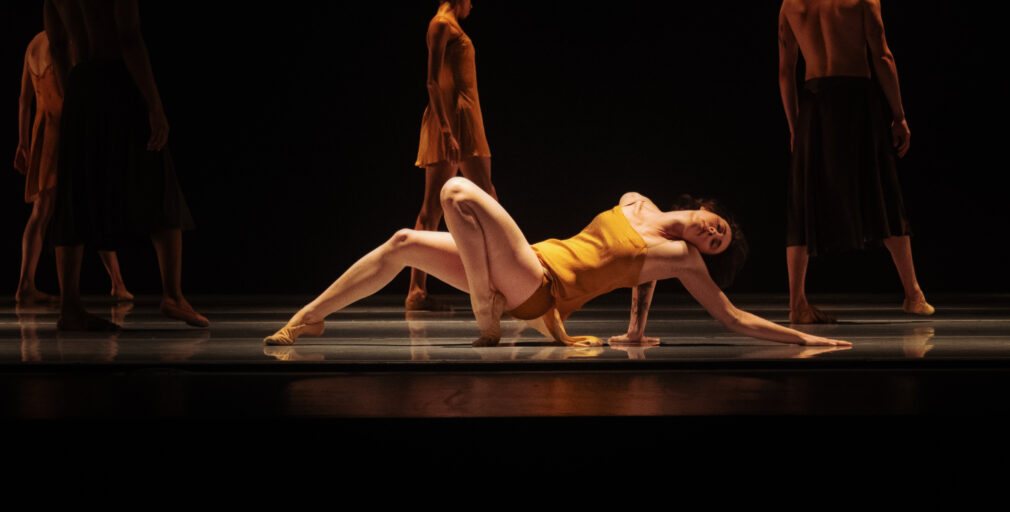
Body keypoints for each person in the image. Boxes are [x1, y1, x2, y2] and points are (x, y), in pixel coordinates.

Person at [265, 177, 851, 348]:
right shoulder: (634, 200)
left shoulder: (680, 258)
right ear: (702, 207)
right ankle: (310, 316)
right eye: (717, 225)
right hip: (530, 261)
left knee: (455, 193)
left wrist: (804, 341)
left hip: (539, 286)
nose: (712, 233)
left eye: (716, 243)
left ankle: (485, 314)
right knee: (401, 241)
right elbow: (638, 283)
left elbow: (732, 317)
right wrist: (635, 330)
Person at [43, 0, 206, 331]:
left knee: (75, 191)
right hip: (118, 79)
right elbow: (129, 36)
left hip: (79, 81)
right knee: (159, 179)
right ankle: (172, 296)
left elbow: (56, 44)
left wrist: (70, 90)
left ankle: (69, 307)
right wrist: (153, 104)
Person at [778, 0, 933, 324]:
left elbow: (784, 71)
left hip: (812, 100)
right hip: (856, 97)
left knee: (804, 198)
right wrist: (899, 115)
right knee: (881, 188)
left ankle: (797, 304)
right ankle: (913, 294)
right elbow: (882, 56)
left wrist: (795, 126)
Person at [14, 31, 133, 302]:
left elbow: (24, 100)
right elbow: (74, 93)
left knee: (41, 210)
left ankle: (25, 284)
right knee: (88, 204)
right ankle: (117, 283)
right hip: (64, 129)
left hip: (42, 131)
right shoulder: (64, 42)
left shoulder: (33, 44)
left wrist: (23, 143)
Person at [407, 0, 498, 310]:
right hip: (453, 120)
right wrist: (446, 130)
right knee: (465, 203)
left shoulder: (451, 25)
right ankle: (419, 290)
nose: (471, 6)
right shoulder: (441, 24)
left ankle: (486, 280)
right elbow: (431, 81)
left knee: (482, 199)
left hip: (465, 117)